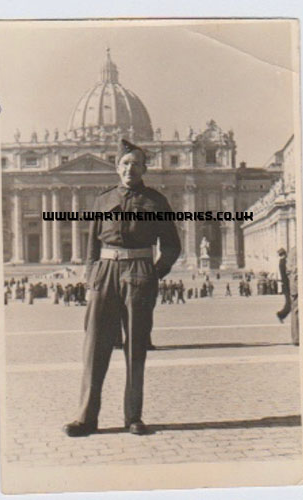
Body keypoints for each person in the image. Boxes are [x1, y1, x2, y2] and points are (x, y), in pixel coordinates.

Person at [64, 139, 181, 437]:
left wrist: (156, 272)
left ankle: (133, 416)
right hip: (105, 273)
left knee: (136, 347)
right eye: (125, 163)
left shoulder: (157, 202)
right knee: (94, 347)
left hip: (139, 273)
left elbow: (170, 244)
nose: (130, 169)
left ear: (144, 168)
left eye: (136, 164)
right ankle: (86, 417)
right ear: (117, 167)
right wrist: (92, 277)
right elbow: (91, 244)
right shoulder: (102, 200)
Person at [287, 246, 299, 345]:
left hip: (295, 285)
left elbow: (288, 271)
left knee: (295, 311)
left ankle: (296, 338)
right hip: (298, 285)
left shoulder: (293, 250)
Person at [276, 248, 291, 323]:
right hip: (287, 285)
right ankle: (280, 314)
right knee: (290, 303)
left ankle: (281, 315)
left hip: (285, 285)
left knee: (289, 302)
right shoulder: (284, 262)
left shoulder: (281, 262)